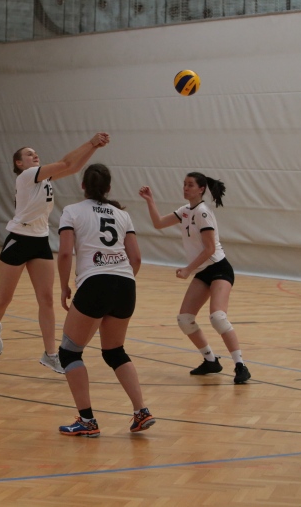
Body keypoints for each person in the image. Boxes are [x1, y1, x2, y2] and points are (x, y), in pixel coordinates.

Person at [0, 133, 110, 374]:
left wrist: (95, 147)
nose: (34, 155)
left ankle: (50, 354)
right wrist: (90, 141)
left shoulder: (44, 178)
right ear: (19, 163)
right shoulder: (26, 176)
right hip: (18, 239)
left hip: (40, 241)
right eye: (28, 154)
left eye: (35, 153)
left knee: (46, 300)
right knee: (4, 298)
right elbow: (66, 162)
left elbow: (73, 168)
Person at [56, 164, 155, 437]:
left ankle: (87, 421)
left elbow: (64, 253)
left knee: (69, 352)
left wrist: (64, 286)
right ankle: (141, 411)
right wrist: (119, 281)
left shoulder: (72, 211)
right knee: (114, 351)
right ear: (109, 188)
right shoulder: (123, 215)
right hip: (126, 283)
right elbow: (136, 258)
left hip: (95, 282)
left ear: (83, 186)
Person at [139, 172, 251, 384]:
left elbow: (209, 249)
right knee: (185, 319)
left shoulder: (203, 212)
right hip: (203, 271)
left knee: (218, 317)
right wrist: (150, 201)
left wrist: (188, 270)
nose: (185, 188)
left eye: (190, 185)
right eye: (184, 184)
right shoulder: (185, 211)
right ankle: (210, 360)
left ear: (201, 189)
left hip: (219, 268)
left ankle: (240, 365)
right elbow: (158, 223)